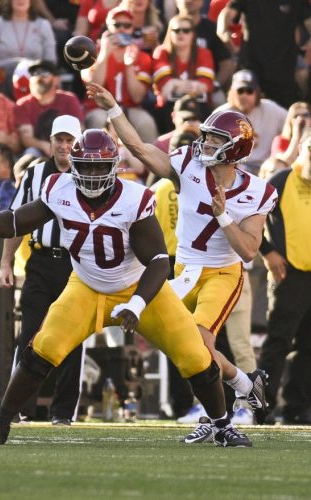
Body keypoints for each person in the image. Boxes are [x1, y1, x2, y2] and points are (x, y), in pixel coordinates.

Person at [0, 128, 255, 448]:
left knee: (196, 356)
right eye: (85, 166)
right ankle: (0, 423)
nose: (92, 174)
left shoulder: (135, 198)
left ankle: (222, 425)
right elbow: (13, 224)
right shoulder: (57, 188)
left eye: (99, 167)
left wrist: (136, 304)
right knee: (43, 349)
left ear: (114, 166)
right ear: (73, 165)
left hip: (138, 286)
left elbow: (159, 261)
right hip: (87, 287)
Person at [86, 81, 277, 440]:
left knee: (201, 346)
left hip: (222, 272)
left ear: (235, 148)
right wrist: (113, 108)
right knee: (179, 345)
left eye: (217, 140)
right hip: (185, 269)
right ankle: (245, 385)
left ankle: (216, 417)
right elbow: (141, 150)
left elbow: (250, 250)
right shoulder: (189, 162)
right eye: (207, 137)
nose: (206, 144)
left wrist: (223, 217)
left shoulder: (257, 189)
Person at [0, 115, 84, 425]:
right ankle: (18, 407)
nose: (63, 146)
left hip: (77, 265)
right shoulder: (34, 174)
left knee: (72, 337)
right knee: (29, 335)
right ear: (50, 141)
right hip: (40, 262)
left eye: (69, 140)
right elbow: (17, 221)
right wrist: (6, 261)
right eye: (59, 139)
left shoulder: (89, 172)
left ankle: (63, 412)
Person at [258, 135, 311, 425]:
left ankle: (297, 408)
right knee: (278, 342)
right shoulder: (281, 180)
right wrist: (267, 252)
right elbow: (250, 215)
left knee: (308, 347)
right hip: (288, 275)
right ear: (301, 151)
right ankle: (262, 409)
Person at [82, 6, 158, 144]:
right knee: (97, 119)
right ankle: (94, 162)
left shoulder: (142, 56)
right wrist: (104, 54)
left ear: (132, 29)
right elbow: (93, 86)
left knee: (147, 122)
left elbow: (137, 97)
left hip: (130, 108)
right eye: (117, 25)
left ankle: (149, 165)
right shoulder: (93, 53)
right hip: (100, 108)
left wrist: (128, 65)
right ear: (107, 27)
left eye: (127, 25)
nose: (122, 29)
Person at [217, 0, 307, 108]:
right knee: (244, 106)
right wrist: (222, 30)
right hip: (252, 64)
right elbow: (228, 12)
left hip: (283, 67)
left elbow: (308, 20)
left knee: (283, 110)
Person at [213, 69, 287, 176]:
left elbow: (293, 124)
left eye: (249, 91)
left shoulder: (271, 109)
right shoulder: (221, 115)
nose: (244, 95)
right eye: (240, 91)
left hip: (265, 170)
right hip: (232, 169)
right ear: (232, 92)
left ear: (257, 93)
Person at [152, 14, 215, 133]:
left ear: (193, 34)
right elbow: (164, 89)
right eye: (176, 30)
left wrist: (175, 83)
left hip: (199, 105)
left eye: (186, 30)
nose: (181, 34)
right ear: (170, 33)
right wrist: (191, 86)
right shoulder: (161, 52)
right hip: (168, 106)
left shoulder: (204, 53)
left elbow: (204, 86)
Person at [14, 59, 84, 157]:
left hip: (67, 148)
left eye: (44, 73)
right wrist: (44, 146)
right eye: (35, 73)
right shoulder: (23, 104)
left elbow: (79, 131)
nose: (39, 77)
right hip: (39, 151)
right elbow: (26, 138)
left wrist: (62, 147)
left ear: (56, 79)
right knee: (30, 153)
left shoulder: (69, 100)